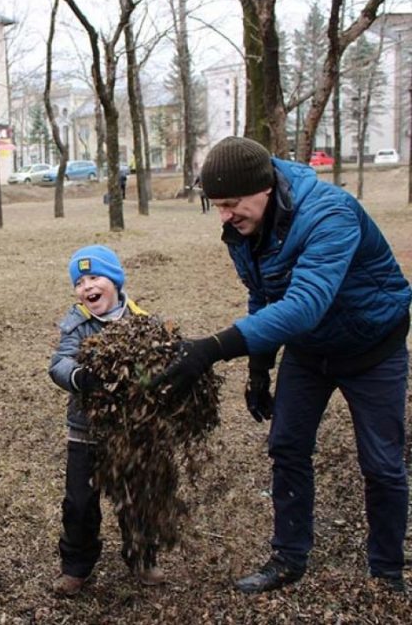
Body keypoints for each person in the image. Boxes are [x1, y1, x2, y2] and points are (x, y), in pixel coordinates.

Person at [152, 136, 411, 594]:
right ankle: (289, 558)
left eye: (232, 203)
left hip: (373, 347)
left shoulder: (330, 214)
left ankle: (386, 573)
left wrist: (212, 348)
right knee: (287, 447)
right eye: (217, 206)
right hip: (310, 351)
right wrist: (259, 367)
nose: (226, 215)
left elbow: (305, 304)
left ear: (266, 187)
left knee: (382, 463)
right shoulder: (243, 229)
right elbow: (263, 292)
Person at [48, 245, 165, 597]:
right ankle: (76, 567)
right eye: (79, 281)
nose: (87, 287)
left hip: (132, 432)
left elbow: (163, 363)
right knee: (80, 504)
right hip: (86, 431)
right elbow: (59, 364)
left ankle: (142, 557)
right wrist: (81, 377)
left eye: (94, 277)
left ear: (114, 280)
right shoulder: (77, 324)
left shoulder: (143, 321)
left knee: (137, 497)